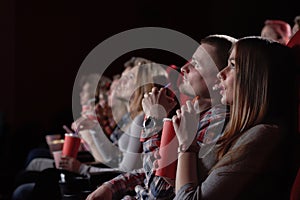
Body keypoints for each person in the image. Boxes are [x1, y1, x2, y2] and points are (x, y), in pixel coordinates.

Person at [85, 34, 237, 200]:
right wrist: (112, 186)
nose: (184, 68)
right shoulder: (190, 115)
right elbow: (154, 170)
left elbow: (160, 189)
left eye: (196, 64)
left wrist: (154, 119)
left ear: (219, 78)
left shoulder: (218, 121)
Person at [173, 36, 298, 200]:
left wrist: (186, 146)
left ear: (254, 78)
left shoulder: (264, 134)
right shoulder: (238, 127)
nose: (221, 74)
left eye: (232, 65)